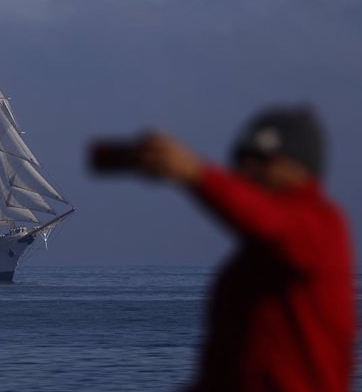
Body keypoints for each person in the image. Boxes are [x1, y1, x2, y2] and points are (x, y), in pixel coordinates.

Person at [98, 106, 356, 391]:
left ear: (299, 168)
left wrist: (195, 173)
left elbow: (269, 222)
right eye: (242, 159)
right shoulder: (247, 267)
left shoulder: (321, 227)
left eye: (262, 159)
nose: (247, 170)